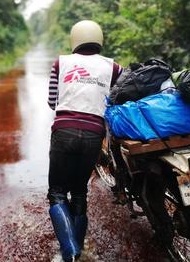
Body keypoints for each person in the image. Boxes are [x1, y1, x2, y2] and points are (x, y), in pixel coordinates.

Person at [47, 20, 123, 261]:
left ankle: (69, 250)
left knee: (57, 192)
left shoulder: (61, 62)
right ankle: (77, 247)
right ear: (99, 39)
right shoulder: (114, 68)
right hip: (93, 134)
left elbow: (52, 101)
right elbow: (117, 100)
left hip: (64, 131)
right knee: (79, 191)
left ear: (74, 39)